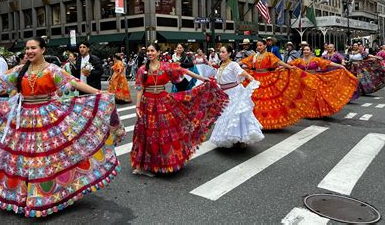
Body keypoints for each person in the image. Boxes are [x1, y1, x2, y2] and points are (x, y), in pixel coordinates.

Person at [0, 37, 126, 217]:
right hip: (23, 116)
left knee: (45, 157)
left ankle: (45, 196)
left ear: (43, 49)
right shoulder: (20, 70)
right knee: (23, 157)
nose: (29, 51)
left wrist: (98, 93)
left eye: (33, 48)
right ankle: (23, 195)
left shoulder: (53, 69)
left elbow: (74, 83)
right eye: (27, 48)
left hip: (47, 116)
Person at [131, 44, 228, 177]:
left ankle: (159, 164)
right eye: (148, 51)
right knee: (146, 134)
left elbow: (184, 71)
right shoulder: (142, 69)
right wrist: (137, 106)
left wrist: (202, 78)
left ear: (159, 52)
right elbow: (140, 88)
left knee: (163, 133)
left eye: (152, 50)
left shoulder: (166, 66)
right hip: (147, 104)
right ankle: (143, 166)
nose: (149, 53)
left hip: (162, 102)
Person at [239, 40, 308, 130]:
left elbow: (279, 62)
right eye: (257, 45)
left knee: (267, 101)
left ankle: (267, 122)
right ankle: (254, 122)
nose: (258, 47)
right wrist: (232, 64)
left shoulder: (269, 55)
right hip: (255, 78)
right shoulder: (254, 56)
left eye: (260, 45)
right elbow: (243, 62)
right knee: (253, 100)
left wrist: (289, 67)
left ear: (264, 46)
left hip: (267, 78)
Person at [209, 46, 264, 148]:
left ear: (229, 53)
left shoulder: (233, 64)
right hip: (224, 94)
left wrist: (250, 77)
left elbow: (241, 72)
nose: (220, 54)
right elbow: (217, 80)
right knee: (226, 117)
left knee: (237, 116)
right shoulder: (221, 66)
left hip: (235, 93)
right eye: (220, 52)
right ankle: (232, 138)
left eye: (223, 52)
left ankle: (242, 139)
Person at [289, 45, 358, 118]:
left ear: (310, 51)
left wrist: (340, 65)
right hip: (303, 80)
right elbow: (289, 64)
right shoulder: (299, 60)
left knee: (316, 96)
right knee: (303, 96)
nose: (306, 51)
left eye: (307, 50)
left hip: (313, 79)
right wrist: (281, 67)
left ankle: (315, 112)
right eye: (304, 50)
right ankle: (304, 111)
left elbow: (327, 63)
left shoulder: (315, 59)